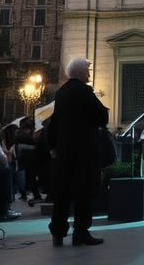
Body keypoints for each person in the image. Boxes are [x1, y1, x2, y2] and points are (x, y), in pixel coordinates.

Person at [47, 57, 109, 247]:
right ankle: (81, 233)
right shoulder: (84, 91)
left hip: (64, 150)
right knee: (84, 191)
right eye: (88, 71)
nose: (89, 74)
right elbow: (102, 116)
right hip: (84, 150)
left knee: (63, 192)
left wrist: (53, 146)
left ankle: (58, 232)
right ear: (81, 72)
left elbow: (54, 121)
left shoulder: (62, 91)